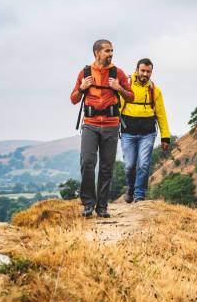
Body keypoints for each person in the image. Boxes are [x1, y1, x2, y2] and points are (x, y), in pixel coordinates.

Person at [70, 39, 134, 217]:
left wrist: (119, 87)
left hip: (111, 125)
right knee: (87, 163)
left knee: (107, 167)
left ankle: (102, 207)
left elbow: (131, 97)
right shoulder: (85, 72)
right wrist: (82, 88)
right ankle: (88, 204)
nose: (111, 54)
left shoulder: (118, 73)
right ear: (97, 53)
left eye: (112, 51)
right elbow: (73, 99)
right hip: (90, 125)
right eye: (107, 51)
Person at [120, 58, 170, 203]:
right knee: (129, 165)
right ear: (137, 70)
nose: (145, 74)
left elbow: (161, 114)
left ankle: (139, 195)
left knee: (143, 164)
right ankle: (130, 189)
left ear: (151, 72)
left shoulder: (155, 90)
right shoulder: (126, 85)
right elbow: (118, 108)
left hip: (147, 134)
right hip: (127, 133)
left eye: (148, 71)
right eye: (142, 70)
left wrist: (165, 137)